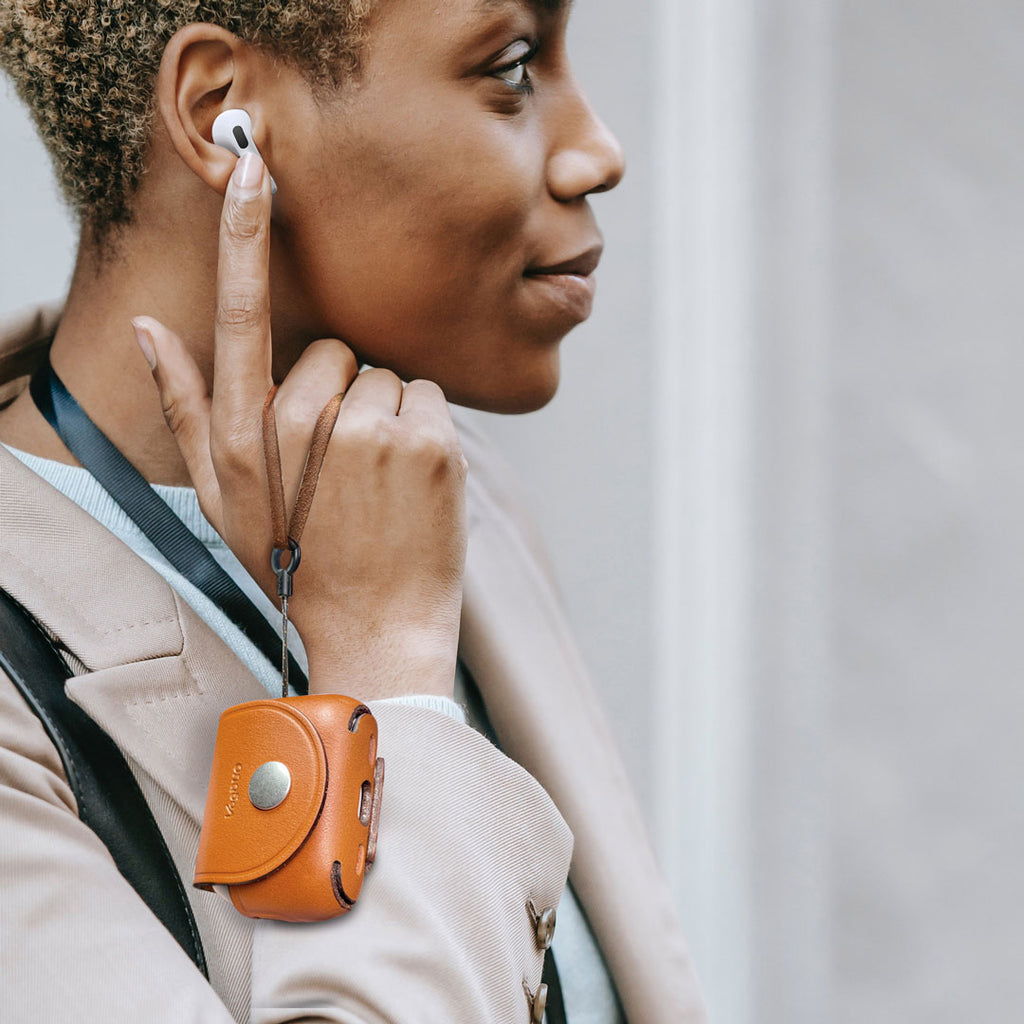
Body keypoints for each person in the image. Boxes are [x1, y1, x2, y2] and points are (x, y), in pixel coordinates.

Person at [0, 0, 707, 1020]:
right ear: (224, 116)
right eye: (511, 67)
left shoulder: (439, 489)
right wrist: (385, 667)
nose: (597, 152)